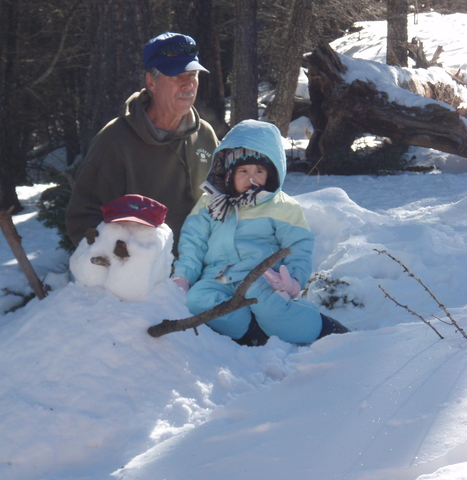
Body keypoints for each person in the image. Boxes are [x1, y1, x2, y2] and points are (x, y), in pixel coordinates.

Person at [171, 119, 349, 346]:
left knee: (272, 309)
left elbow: (298, 245)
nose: (251, 177)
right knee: (197, 301)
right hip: (218, 277)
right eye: (243, 170)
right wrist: (184, 276)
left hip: (263, 279)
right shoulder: (210, 204)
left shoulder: (281, 206)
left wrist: (293, 280)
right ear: (228, 172)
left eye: (259, 170)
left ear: (271, 172)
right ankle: (250, 331)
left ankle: (319, 327)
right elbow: (193, 243)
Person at [65, 32, 219, 254]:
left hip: (202, 268)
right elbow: (82, 219)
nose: (188, 84)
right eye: (177, 76)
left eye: (193, 74)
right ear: (151, 82)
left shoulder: (204, 134)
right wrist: (123, 262)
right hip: (145, 273)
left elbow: (225, 200)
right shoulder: (115, 140)